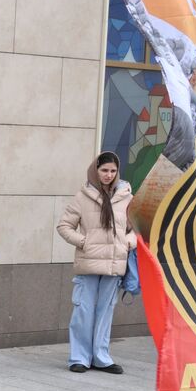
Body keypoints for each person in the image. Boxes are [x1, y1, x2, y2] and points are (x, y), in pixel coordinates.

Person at [56, 152, 134, 375]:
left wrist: (128, 243)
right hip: (89, 262)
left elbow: (135, 229)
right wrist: (84, 242)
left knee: (105, 311)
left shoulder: (126, 196)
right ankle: (79, 357)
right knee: (83, 310)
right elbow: (64, 226)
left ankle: (101, 357)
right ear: (95, 170)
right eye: (104, 170)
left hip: (113, 263)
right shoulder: (83, 196)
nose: (108, 175)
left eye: (112, 171)